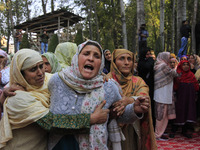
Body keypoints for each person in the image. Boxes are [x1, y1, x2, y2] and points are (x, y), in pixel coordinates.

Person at [47, 40, 150, 149]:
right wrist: (91, 119)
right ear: (76, 57)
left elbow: (120, 115)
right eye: (86, 54)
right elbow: (48, 120)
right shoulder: (56, 81)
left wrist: (134, 109)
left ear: (101, 63)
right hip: (60, 145)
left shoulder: (108, 87)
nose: (90, 58)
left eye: (96, 56)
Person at [0, 49, 110, 149]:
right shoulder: (17, 97)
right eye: (33, 69)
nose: (40, 73)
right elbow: (51, 122)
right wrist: (91, 119)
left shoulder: (48, 81)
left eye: (41, 66)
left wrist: (99, 78)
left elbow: (73, 79)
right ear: (21, 74)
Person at [107, 49, 157, 150]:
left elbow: (144, 96)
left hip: (133, 129)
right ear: (114, 61)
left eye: (129, 59)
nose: (126, 63)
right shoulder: (106, 81)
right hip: (109, 131)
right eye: (122, 58)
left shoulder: (138, 81)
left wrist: (129, 101)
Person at [154, 52, 177, 140]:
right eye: (168, 57)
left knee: (163, 114)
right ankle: (158, 134)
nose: (170, 58)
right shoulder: (163, 66)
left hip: (162, 93)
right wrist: (175, 67)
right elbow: (174, 74)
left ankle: (160, 132)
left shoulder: (159, 65)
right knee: (161, 115)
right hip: (162, 94)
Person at [172, 60, 199, 138]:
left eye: (187, 65)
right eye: (184, 65)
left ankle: (185, 130)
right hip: (180, 98)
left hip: (189, 98)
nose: (186, 66)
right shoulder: (178, 75)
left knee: (188, 111)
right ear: (181, 66)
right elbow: (175, 86)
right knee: (179, 111)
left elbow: (196, 86)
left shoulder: (191, 75)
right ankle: (174, 129)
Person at [137, 48, 155, 127]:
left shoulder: (148, 62)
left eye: (150, 54)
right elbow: (147, 67)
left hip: (151, 87)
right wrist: (151, 59)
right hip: (143, 87)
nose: (149, 56)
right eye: (147, 54)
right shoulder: (141, 63)